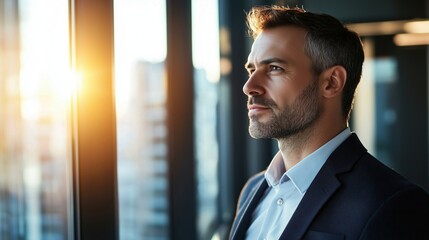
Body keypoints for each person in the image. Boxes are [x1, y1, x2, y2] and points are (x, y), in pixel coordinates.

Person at [229, 5, 429, 240]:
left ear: (331, 83)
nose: (249, 86)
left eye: (274, 68)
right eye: (251, 69)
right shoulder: (253, 189)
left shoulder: (393, 203)